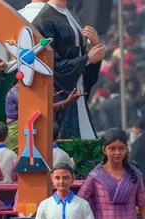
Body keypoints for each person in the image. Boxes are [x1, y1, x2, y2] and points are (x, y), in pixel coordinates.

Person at [33, 0, 105, 139]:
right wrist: (88, 59)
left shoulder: (72, 16)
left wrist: (95, 48)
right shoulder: (43, 20)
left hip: (78, 94)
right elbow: (51, 65)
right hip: (62, 97)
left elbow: (82, 55)